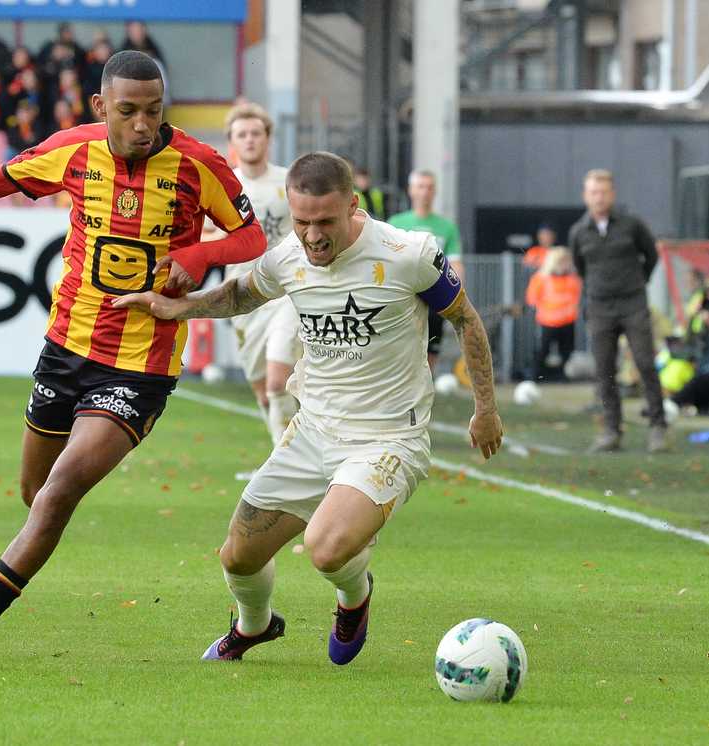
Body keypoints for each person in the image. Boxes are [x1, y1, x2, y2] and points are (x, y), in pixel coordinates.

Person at [0, 51, 268, 671]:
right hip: (65, 350)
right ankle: (25, 559)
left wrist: (197, 260)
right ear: (100, 107)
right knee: (35, 492)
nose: (143, 125)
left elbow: (252, 239)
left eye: (154, 111)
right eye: (128, 111)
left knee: (57, 492)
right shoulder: (75, 150)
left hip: (140, 366)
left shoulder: (199, 165)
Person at [113, 152, 503, 664]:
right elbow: (243, 294)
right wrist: (179, 307)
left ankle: (355, 594)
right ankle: (255, 626)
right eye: (302, 223)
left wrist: (486, 410)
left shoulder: (408, 253)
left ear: (353, 206)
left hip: (388, 438)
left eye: (326, 222)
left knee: (325, 548)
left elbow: (466, 320)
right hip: (312, 430)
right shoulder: (289, 257)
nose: (313, 236)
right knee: (238, 556)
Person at [568, 169, 668, 453]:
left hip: (633, 303)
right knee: (604, 371)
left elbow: (652, 255)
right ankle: (612, 430)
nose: (598, 197)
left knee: (646, 363)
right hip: (600, 306)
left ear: (612, 195)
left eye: (603, 192)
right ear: (585, 196)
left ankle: (658, 427)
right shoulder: (578, 232)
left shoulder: (632, 224)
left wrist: (639, 282)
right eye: (593, 192)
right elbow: (580, 268)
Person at [217, 102, 300, 445]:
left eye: (256, 133)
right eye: (242, 135)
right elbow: (205, 234)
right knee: (265, 393)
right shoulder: (223, 186)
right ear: (232, 142)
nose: (250, 140)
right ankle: (287, 452)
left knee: (278, 381)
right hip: (244, 296)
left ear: (268, 138)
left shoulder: (290, 181)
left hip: (285, 293)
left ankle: (290, 464)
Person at [388, 169, 463, 373]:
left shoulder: (447, 227)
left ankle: (426, 391)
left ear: (435, 191)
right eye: (420, 186)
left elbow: (455, 264)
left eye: (429, 187)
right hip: (404, 297)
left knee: (431, 350)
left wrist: (456, 297)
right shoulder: (396, 223)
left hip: (433, 299)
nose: (425, 192)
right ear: (411, 190)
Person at [524, 248, 582, 381]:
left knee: (566, 352)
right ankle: (536, 376)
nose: (565, 265)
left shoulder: (573, 278)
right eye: (562, 261)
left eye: (567, 261)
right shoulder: (541, 278)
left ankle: (562, 377)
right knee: (543, 351)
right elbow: (531, 298)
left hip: (568, 321)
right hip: (548, 321)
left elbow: (576, 297)